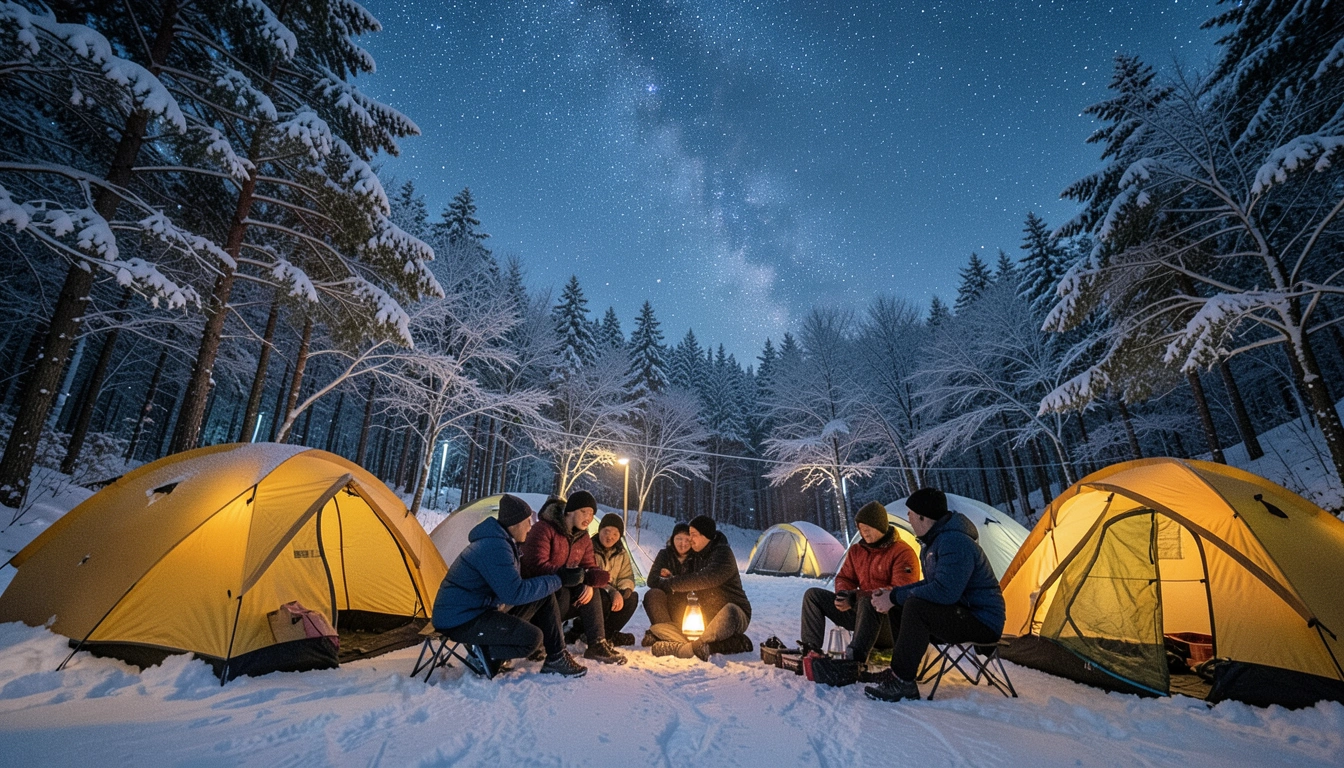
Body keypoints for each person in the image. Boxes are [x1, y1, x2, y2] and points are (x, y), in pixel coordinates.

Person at [864, 488, 1006, 702]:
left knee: (914, 606)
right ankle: (899, 671)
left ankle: (903, 681)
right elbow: (930, 584)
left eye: (910, 514)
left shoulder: (955, 542)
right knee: (903, 604)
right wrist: (893, 594)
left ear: (923, 516)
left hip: (983, 621)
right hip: (961, 613)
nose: (909, 519)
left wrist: (894, 598)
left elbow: (945, 591)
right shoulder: (935, 543)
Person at [431, 493, 588, 677]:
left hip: (476, 611)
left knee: (543, 595)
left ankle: (556, 657)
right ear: (515, 523)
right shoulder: (495, 546)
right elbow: (513, 593)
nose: (530, 527)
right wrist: (560, 578)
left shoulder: (503, 542)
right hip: (460, 619)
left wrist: (558, 576)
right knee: (532, 638)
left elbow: (513, 586)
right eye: (528, 521)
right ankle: (483, 654)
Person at [798, 501, 919, 664]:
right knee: (813, 596)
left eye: (868, 529)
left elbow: (899, 591)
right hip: (860, 616)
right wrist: (843, 593)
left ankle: (855, 658)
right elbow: (844, 578)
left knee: (869, 601)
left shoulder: (902, 552)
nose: (864, 533)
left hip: (889, 624)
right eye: (861, 529)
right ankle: (811, 650)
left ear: (880, 526)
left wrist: (854, 597)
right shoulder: (857, 551)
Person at [520, 490, 627, 665]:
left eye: (592, 514)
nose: (589, 518)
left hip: (563, 593)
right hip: (538, 596)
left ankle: (597, 644)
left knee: (593, 592)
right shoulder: (544, 529)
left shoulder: (583, 537)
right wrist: (578, 576)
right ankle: (544, 643)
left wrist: (590, 580)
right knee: (561, 593)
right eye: (584, 512)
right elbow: (538, 566)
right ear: (569, 511)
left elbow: (590, 568)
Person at [650, 515, 753, 661]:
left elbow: (704, 579)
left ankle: (684, 649)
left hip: (735, 615)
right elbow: (685, 580)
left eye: (693, 535)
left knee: (729, 611)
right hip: (706, 618)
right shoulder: (697, 555)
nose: (690, 539)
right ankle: (719, 644)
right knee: (659, 628)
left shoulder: (723, 554)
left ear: (706, 535)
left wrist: (670, 583)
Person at [581, 513, 639, 647]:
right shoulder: (589, 548)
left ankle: (606, 635)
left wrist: (625, 590)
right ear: (599, 530)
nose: (610, 537)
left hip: (613, 593)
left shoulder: (621, 553)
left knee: (631, 598)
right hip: (595, 592)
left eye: (615, 533)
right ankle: (590, 632)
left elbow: (626, 576)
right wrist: (612, 591)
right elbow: (589, 576)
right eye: (607, 532)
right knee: (604, 598)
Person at [642, 522, 694, 646]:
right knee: (653, 594)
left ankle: (660, 634)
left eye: (687, 539)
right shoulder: (664, 555)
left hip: (687, 604)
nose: (683, 543)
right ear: (672, 539)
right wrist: (667, 582)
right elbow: (652, 580)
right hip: (666, 603)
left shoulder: (697, 558)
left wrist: (673, 579)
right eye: (679, 539)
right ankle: (666, 633)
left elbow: (696, 581)